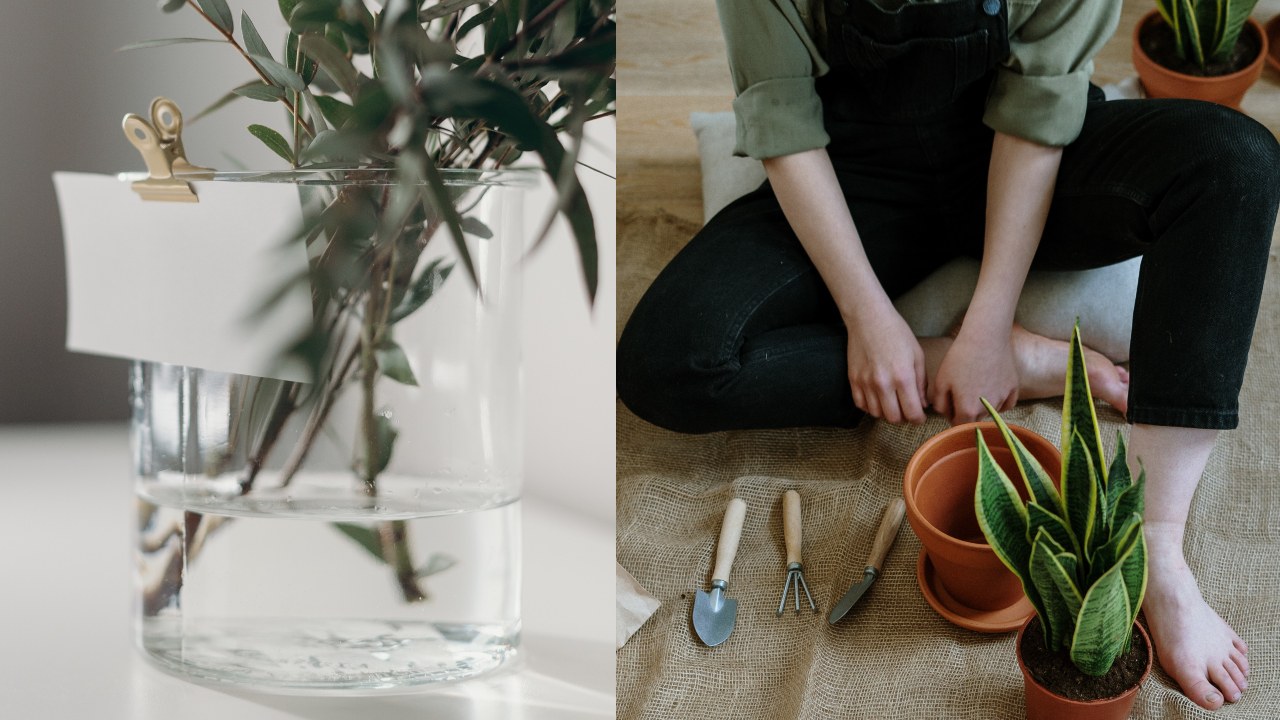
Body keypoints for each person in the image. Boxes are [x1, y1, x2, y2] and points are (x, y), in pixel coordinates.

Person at [616, 0, 1280, 711]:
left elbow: (1036, 110)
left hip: (1025, 158)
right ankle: (1002, 365)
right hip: (855, 174)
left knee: (1237, 159)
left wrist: (989, 325)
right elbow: (783, 121)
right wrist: (869, 317)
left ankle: (1158, 544)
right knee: (666, 361)